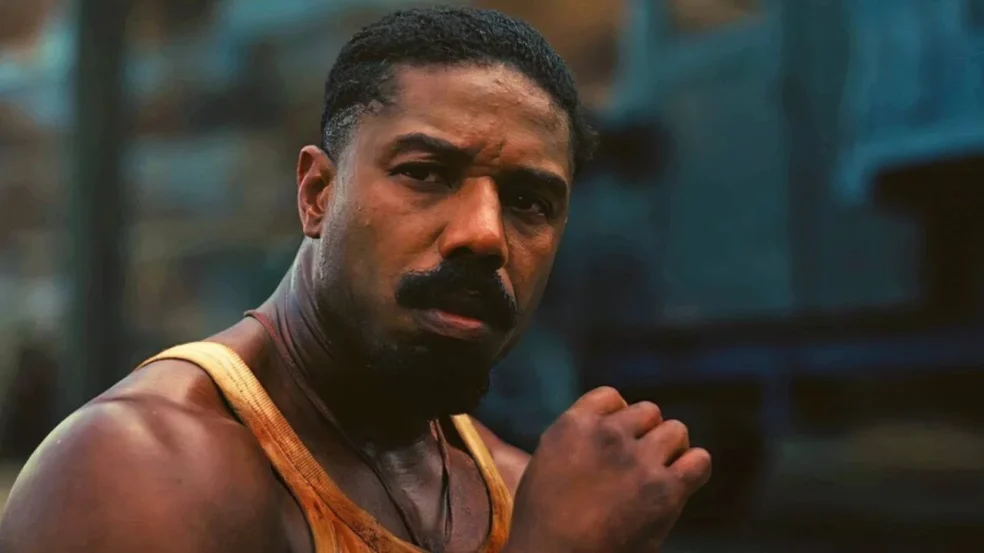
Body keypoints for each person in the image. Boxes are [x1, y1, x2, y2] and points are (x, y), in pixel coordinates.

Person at [0, 7, 711, 553]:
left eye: (529, 202)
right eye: (425, 173)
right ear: (317, 193)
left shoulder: (520, 489)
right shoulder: (136, 468)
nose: (485, 235)